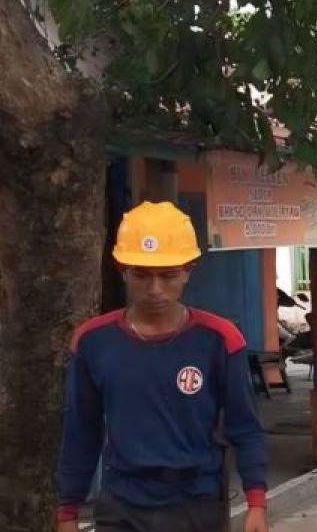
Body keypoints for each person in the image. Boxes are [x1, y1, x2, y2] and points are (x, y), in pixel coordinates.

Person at [56, 202, 268, 532]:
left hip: (196, 504)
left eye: (167, 275)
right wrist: (67, 509)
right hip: (121, 504)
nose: (155, 290)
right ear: (121, 269)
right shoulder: (91, 342)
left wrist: (256, 502)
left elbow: (245, 427)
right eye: (141, 275)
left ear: (188, 270)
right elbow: (81, 432)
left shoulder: (220, 339)